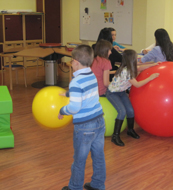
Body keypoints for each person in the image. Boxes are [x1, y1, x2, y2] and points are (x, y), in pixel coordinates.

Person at [59, 45, 106, 190]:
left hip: (85, 127)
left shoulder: (75, 82)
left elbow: (74, 107)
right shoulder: (91, 75)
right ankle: (98, 185)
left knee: (79, 160)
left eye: (71, 61)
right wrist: (68, 94)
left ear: (77, 62)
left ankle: (74, 187)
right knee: (98, 157)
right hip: (99, 121)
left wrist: (62, 110)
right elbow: (87, 92)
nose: (71, 63)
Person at [106, 49, 160, 147]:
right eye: (136, 58)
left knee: (130, 110)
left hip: (121, 93)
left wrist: (153, 65)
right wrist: (151, 78)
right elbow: (138, 84)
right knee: (122, 111)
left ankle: (130, 130)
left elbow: (139, 68)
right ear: (132, 59)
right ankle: (115, 136)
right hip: (112, 93)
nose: (137, 59)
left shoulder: (129, 67)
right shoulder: (126, 71)